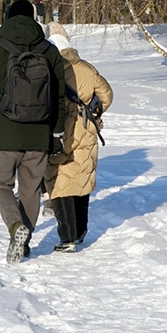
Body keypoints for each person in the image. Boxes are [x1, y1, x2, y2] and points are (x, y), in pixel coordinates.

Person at [0, 0, 67, 263]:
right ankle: (24, 241)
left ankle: (14, 227)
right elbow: (58, 97)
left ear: (7, 17)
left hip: (2, 134)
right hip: (39, 134)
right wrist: (56, 132)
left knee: (1, 185)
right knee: (31, 190)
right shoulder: (49, 49)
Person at [43, 22, 113, 253]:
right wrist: (95, 110)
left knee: (60, 182)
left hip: (61, 129)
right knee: (81, 180)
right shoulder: (87, 68)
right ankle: (81, 233)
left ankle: (67, 238)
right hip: (86, 129)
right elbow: (107, 94)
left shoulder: (50, 69)